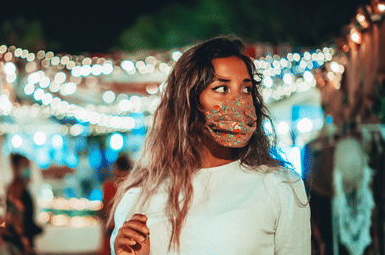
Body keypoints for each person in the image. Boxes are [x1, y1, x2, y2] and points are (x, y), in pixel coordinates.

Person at [109, 36, 310, 254]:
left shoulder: (279, 186)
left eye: (246, 89)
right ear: (188, 101)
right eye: (222, 88)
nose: (240, 103)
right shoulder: (139, 196)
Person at [4, 153, 42, 255]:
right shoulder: (15, 189)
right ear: (15, 168)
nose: (27, 169)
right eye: (24, 165)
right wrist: (24, 240)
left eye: (28, 165)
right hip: (22, 244)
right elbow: (14, 218)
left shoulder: (23, 187)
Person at [99, 155, 132, 255]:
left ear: (117, 168)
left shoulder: (109, 186)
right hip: (129, 234)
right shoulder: (134, 185)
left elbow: (104, 211)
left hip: (111, 233)